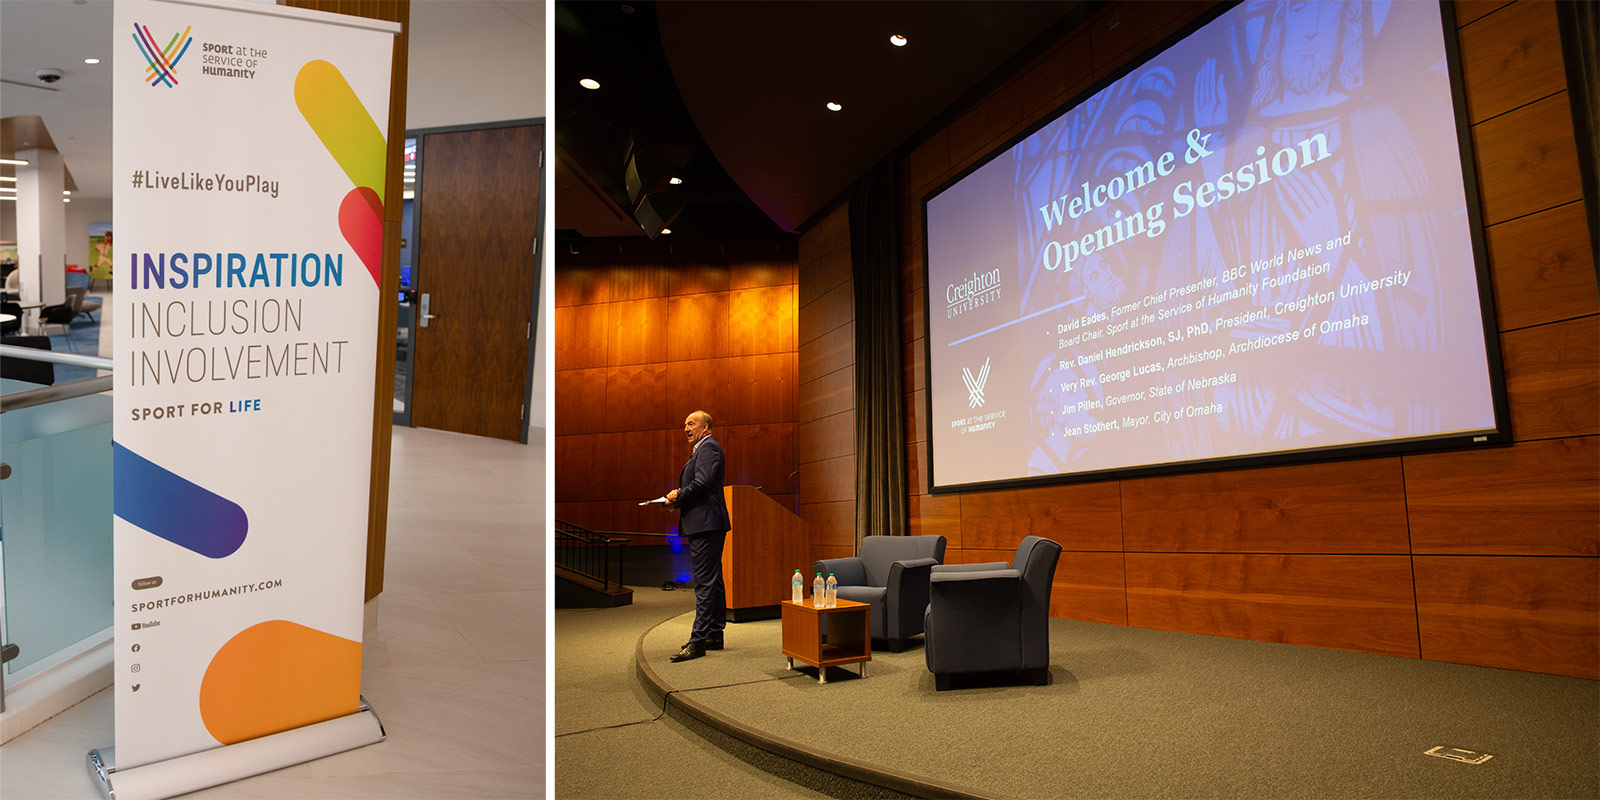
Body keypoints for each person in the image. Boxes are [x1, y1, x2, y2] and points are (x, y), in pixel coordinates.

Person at [663, 410, 730, 662]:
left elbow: (702, 483)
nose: (685, 428)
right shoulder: (702, 449)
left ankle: (697, 641)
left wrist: (678, 497)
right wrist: (677, 496)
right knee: (714, 580)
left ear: (706, 426)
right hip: (706, 523)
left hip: (706, 523)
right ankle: (714, 633)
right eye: (684, 424)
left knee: (704, 583)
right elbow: (702, 483)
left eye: (691, 423)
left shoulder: (709, 447)